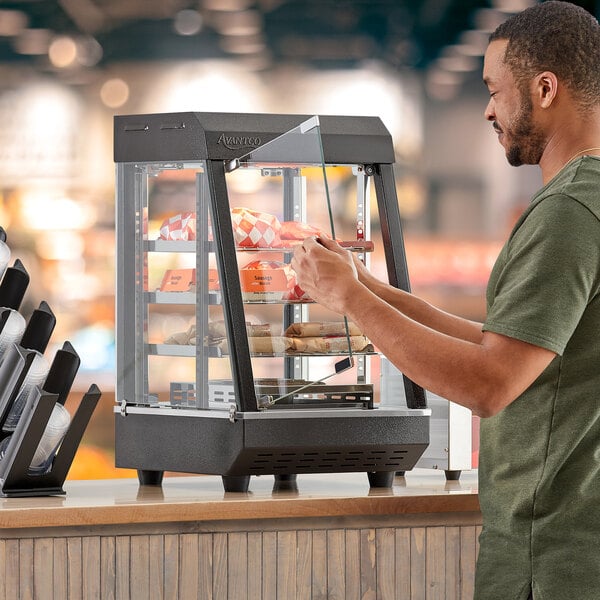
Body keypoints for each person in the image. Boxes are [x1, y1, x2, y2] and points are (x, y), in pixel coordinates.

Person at [291, 2, 600, 599]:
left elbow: (490, 382)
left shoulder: (567, 213)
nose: (487, 108)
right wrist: (363, 285)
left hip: (553, 556)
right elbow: (498, 343)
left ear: (543, 88)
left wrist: (354, 300)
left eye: (494, 89)